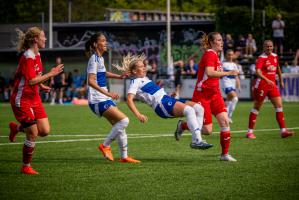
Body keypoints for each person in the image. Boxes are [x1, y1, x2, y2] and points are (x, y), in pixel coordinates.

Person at [114, 53, 213, 150]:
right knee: (190, 110)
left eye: (144, 65)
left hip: (166, 99)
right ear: (135, 71)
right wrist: (138, 114)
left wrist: (170, 96)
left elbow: (151, 93)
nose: (144, 67)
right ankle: (197, 140)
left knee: (199, 109)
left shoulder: (143, 78)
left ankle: (191, 133)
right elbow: (129, 99)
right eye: (141, 66)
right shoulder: (135, 82)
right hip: (161, 105)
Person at [175, 32, 239, 161]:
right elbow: (209, 73)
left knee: (225, 121)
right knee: (207, 130)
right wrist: (228, 72)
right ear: (211, 42)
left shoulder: (216, 55)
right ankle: (183, 126)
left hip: (215, 94)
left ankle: (224, 155)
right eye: (219, 40)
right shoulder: (210, 54)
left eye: (222, 40)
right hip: (202, 95)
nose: (222, 42)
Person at [8, 27, 64, 174]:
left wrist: (42, 85)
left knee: (44, 131)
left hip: (35, 98)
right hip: (22, 99)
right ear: (35, 39)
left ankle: (17, 128)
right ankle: (26, 166)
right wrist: (51, 74)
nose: (45, 39)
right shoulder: (28, 56)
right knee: (33, 132)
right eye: (43, 37)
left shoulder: (37, 55)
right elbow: (31, 81)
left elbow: (35, 78)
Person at [85, 32, 140, 163]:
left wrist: (118, 76)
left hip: (103, 98)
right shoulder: (94, 59)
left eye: (106, 40)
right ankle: (105, 145)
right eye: (103, 41)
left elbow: (103, 73)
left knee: (119, 127)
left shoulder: (100, 59)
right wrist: (108, 94)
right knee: (124, 121)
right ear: (95, 44)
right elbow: (91, 81)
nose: (106, 43)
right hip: (98, 99)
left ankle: (124, 157)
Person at [246, 40, 294, 139]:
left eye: (270, 46)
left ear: (273, 47)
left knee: (279, 106)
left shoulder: (275, 56)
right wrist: (267, 79)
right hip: (262, 85)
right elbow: (258, 72)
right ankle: (249, 132)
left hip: (272, 85)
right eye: (267, 46)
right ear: (263, 47)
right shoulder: (261, 58)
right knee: (256, 108)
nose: (269, 48)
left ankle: (283, 131)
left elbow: (278, 68)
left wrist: (281, 80)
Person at [221, 50, 240, 123]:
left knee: (229, 101)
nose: (230, 56)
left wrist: (238, 86)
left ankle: (225, 116)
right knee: (235, 98)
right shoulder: (223, 64)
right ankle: (229, 116)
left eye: (232, 55)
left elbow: (236, 76)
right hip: (226, 83)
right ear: (226, 55)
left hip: (233, 83)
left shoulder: (234, 65)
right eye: (229, 54)